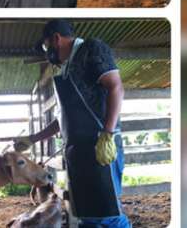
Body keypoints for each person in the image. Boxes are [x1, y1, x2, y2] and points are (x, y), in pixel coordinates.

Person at [13, 19, 130, 227]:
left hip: (99, 147)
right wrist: (32, 139)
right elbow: (64, 118)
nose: (47, 52)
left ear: (56, 39)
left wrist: (108, 134)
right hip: (78, 153)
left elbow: (116, 88)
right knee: (85, 212)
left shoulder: (92, 49)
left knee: (106, 212)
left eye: (46, 46)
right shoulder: (67, 69)